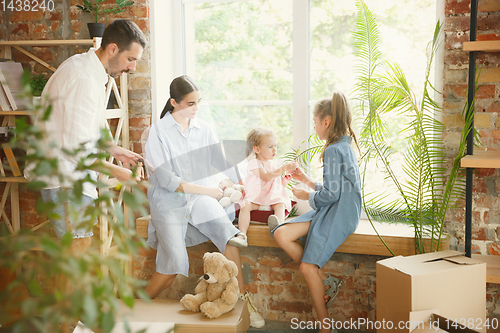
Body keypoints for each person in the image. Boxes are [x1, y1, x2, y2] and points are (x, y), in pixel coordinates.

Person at [143, 75, 264, 328]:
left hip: (199, 197)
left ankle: (242, 303)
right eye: (190, 104)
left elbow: (216, 164)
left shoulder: (205, 128)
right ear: (174, 102)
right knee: (171, 267)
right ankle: (132, 307)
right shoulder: (157, 132)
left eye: (199, 102)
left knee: (228, 236)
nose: (197, 108)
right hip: (169, 201)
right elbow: (168, 181)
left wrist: (230, 184)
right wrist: (209, 191)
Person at [25, 19, 147, 253]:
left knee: (74, 258)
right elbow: (75, 148)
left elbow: (78, 129)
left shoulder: (85, 68)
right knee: (77, 255)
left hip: (69, 179)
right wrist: (117, 172)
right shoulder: (85, 80)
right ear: (112, 49)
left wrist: (115, 150)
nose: (132, 68)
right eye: (131, 59)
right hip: (65, 180)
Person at [272, 92, 361, 333]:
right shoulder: (343, 146)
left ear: (327, 121)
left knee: (306, 267)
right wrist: (308, 181)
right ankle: (326, 281)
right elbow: (336, 190)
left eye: (314, 121)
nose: (313, 126)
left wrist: (305, 196)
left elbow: (331, 196)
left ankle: (325, 327)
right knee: (281, 234)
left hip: (338, 213)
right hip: (338, 209)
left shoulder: (334, 150)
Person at [228, 128, 298, 247]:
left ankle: (277, 228)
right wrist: (284, 168)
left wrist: (285, 178)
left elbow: (277, 184)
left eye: (275, 145)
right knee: (245, 206)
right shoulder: (254, 163)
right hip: (257, 199)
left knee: (280, 205)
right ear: (257, 149)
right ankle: (242, 235)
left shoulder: (275, 164)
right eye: (270, 146)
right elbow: (266, 177)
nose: (275, 149)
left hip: (271, 200)